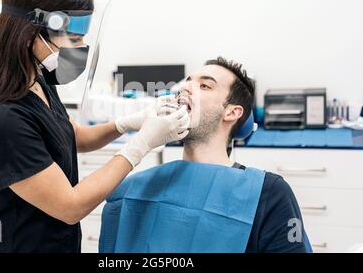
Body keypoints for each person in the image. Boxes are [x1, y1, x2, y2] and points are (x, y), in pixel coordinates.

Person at [0, 0, 189, 253]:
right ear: (32, 35)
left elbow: (71, 135)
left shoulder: (36, 80)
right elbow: (70, 206)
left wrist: (128, 123)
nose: (79, 49)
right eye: (74, 39)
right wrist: (140, 145)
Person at [99, 57, 311, 253]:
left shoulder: (268, 194)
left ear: (232, 112)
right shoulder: (129, 189)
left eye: (204, 86)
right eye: (186, 82)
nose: (184, 89)